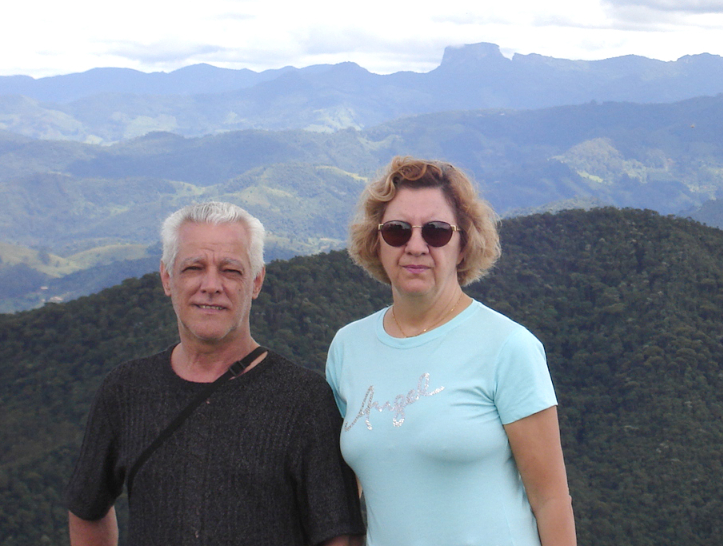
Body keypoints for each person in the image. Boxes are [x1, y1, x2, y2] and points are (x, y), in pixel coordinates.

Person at [65, 201, 364, 546]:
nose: (211, 284)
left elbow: (340, 536)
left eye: (230, 270)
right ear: (166, 278)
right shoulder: (127, 390)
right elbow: (87, 506)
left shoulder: (304, 402)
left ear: (256, 281)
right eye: (194, 267)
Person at [326, 157, 577, 546]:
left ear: (463, 245)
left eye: (437, 232)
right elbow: (345, 493)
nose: (415, 246)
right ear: (376, 242)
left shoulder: (508, 347)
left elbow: (551, 500)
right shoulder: (348, 348)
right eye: (396, 230)